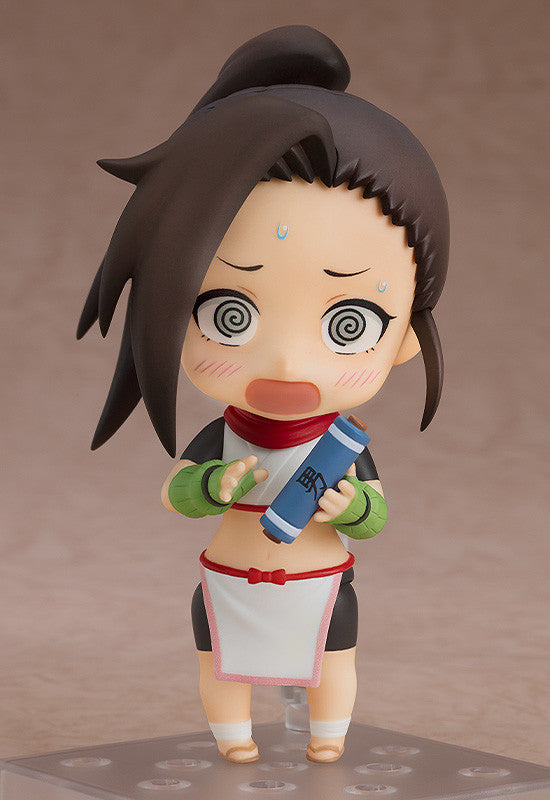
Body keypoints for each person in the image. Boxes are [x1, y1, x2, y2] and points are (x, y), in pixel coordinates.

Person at [78, 25, 449, 764]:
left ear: (405, 339)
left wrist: (352, 505)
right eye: (229, 315)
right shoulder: (227, 434)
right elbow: (177, 495)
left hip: (319, 578)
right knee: (222, 665)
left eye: (349, 323)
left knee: (333, 662)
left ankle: (327, 738)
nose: (284, 362)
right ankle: (235, 740)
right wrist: (212, 484)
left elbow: (375, 516)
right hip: (231, 578)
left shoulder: (342, 446)